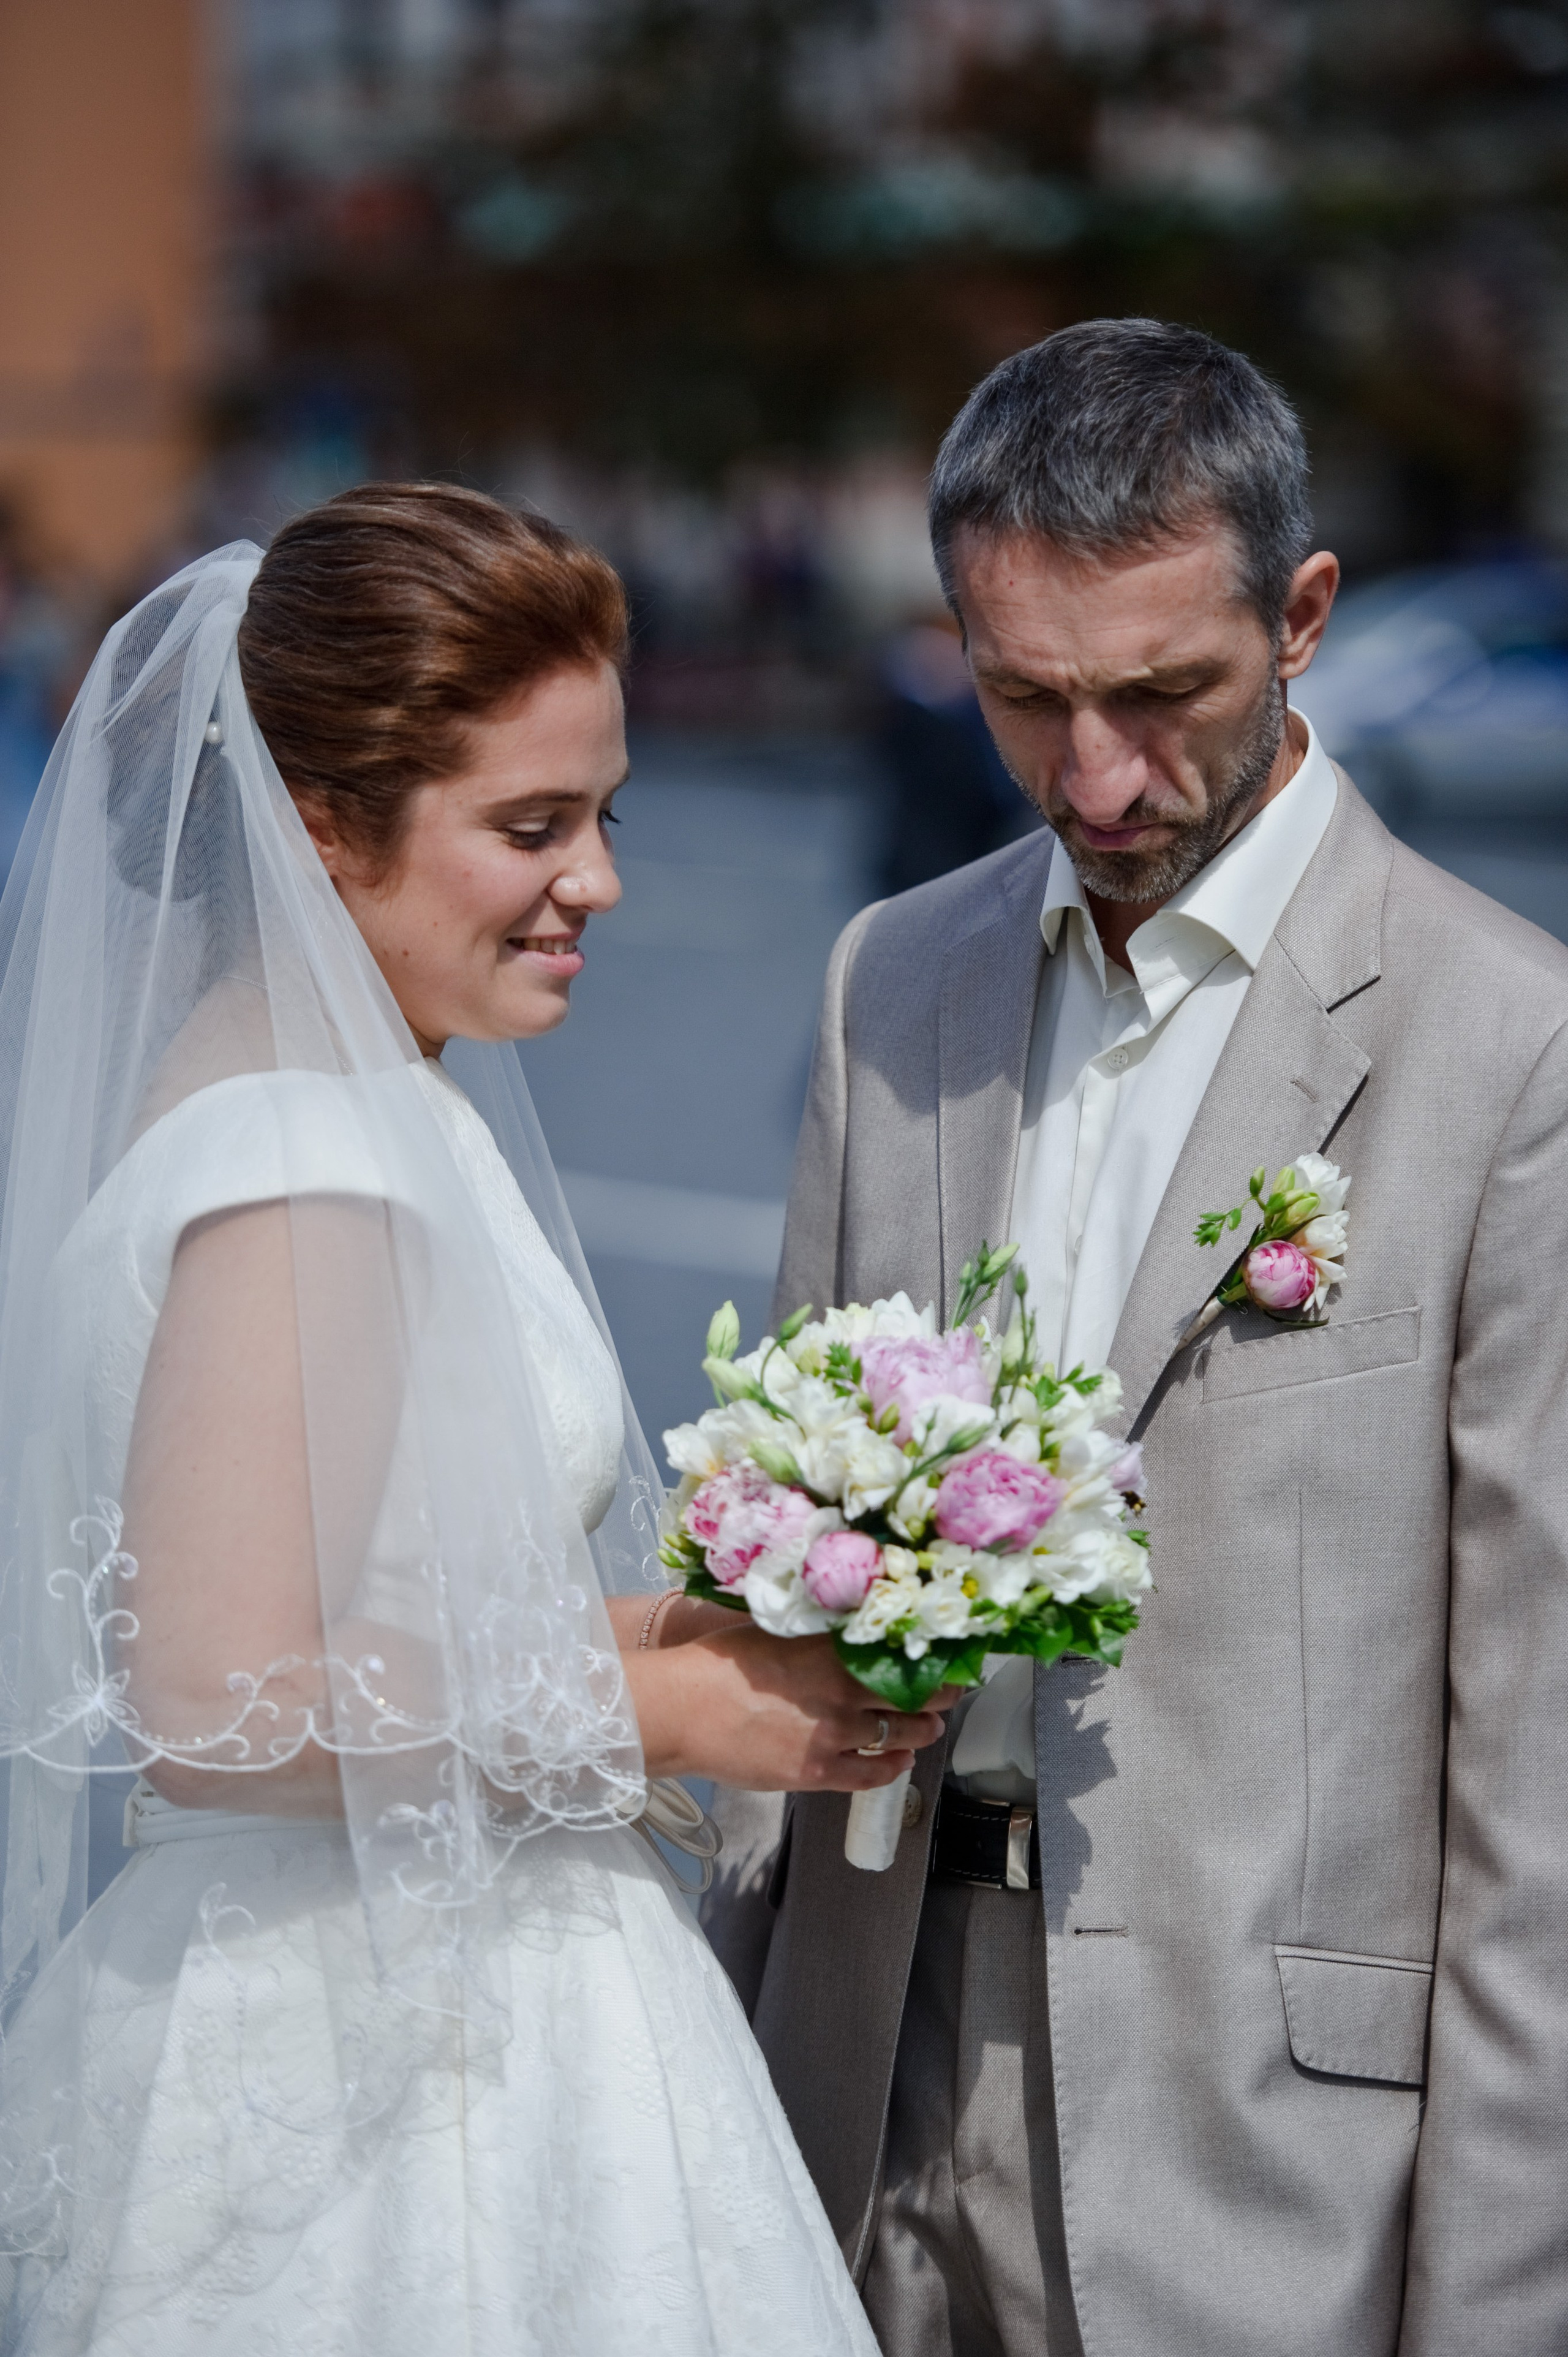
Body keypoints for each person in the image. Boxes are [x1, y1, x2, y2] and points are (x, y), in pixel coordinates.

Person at [0, 483, 943, 2355]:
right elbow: (220, 1694)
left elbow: (389, 1600)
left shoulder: (348, 1109)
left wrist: (696, 1626)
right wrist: (661, 1706)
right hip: (380, 2079)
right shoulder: (307, 1162)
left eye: (603, 815)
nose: (597, 881)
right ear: (324, 833)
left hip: (406, 1984)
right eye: (531, 828)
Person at [706, 320, 1568, 2355]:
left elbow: (1540, 1795)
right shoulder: (884, 981)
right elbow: (773, 1550)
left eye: (1163, 694)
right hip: (863, 2080)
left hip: (1268, 2161)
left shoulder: (1510, 1042)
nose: (1095, 778)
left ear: (1304, 617)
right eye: (1026, 698)